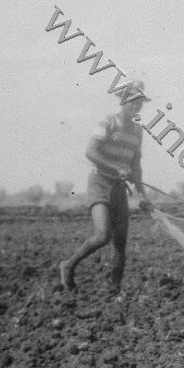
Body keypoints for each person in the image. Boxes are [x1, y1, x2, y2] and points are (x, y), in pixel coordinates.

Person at [60, 80, 153, 292]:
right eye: (132, 102)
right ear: (122, 101)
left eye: (139, 103)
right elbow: (91, 152)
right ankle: (68, 265)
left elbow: (136, 166)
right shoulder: (108, 123)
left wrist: (142, 195)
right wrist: (115, 167)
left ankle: (115, 290)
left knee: (120, 243)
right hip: (100, 183)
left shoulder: (138, 132)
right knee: (103, 235)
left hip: (119, 189)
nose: (136, 107)